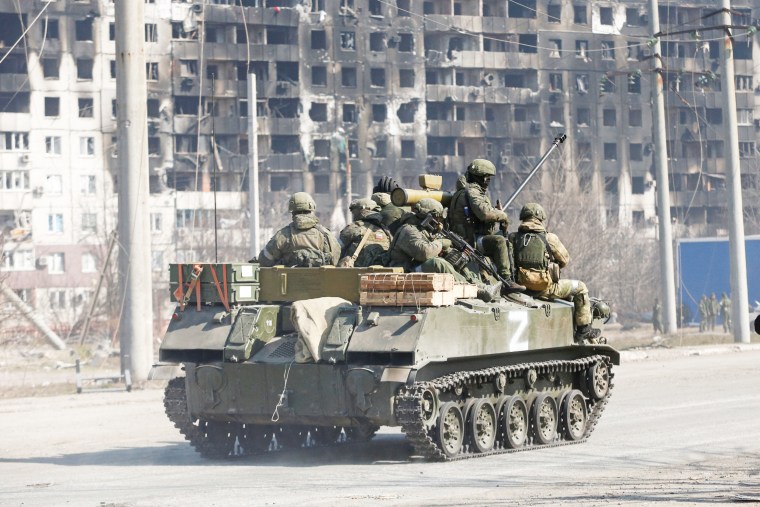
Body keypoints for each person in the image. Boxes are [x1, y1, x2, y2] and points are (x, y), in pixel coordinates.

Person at [512, 202, 602, 343]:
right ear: (540, 218)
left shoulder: (513, 238)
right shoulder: (549, 238)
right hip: (546, 289)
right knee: (580, 287)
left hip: (520, 289)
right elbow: (565, 259)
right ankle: (583, 330)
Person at [389, 198, 501, 301]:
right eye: (437, 218)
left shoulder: (423, 230)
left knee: (456, 259)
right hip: (405, 273)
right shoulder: (408, 230)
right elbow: (425, 252)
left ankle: (480, 286)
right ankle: (477, 291)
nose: (439, 222)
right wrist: (441, 243)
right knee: (438, 263)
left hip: (414, 269)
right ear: (428, 217)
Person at [447, 158, 524, 293]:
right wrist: (502, 215)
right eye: (487, 178)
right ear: (481, 178)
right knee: (500, 241)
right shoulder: (472, 192)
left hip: (469, 237)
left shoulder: (464, 191)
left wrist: (497, 213)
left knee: (508, 240)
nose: (488, 182)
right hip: (471, 241)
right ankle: (507, 280)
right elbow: (484, 214)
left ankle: (506, 277)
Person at [258, 192, 340, 267]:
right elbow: (336, 260)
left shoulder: (283, 235)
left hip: (288, 282)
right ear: (311, 209)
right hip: (322, 281)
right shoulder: (325, 234)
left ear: (292, 211)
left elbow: (264, 260)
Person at [337, 198, 391, 267]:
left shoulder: (354, 228)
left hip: (355, 274)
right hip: (379, 275)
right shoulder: (385, 231)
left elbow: (337, 249)